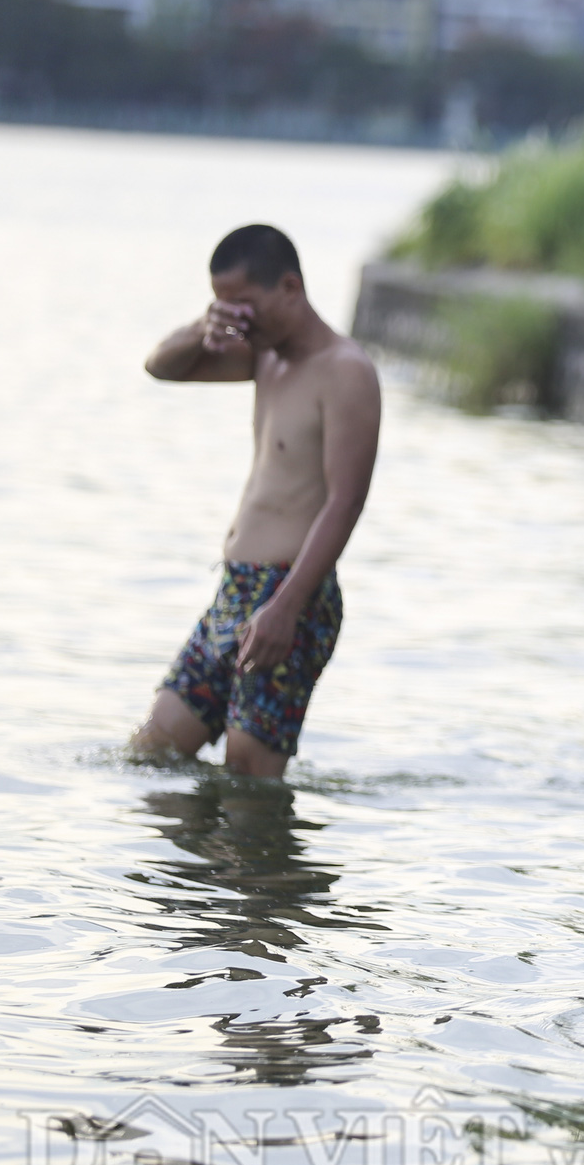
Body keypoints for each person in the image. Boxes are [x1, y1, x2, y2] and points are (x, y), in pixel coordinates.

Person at [129, 225, 381, 780]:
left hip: (292, 593)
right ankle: (194, 870)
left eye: (243, 305)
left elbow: (345, 502)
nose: (235, 321)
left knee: (249, 781)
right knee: (152, 752)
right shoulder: (265, 358)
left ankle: (257, 868)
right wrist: (204, 326)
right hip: (236, 589)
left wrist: (286, 607)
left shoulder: (346, 371)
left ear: (290, 287)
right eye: (224, 307)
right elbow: (161, 366)